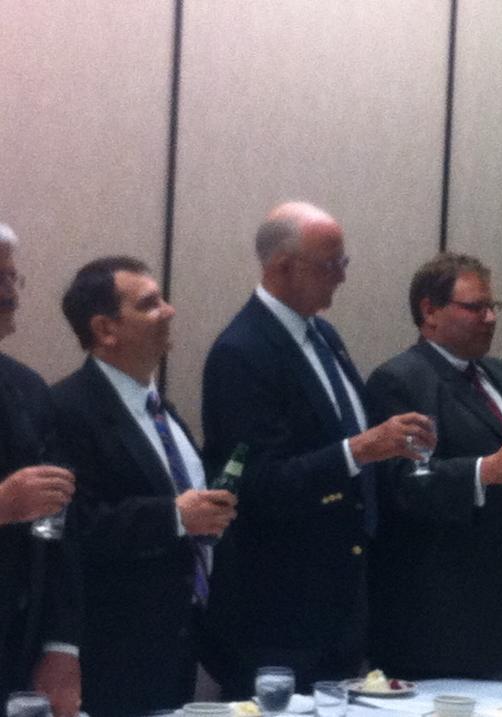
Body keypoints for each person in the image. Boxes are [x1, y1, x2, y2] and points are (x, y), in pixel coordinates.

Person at [201, 202, 433, 695]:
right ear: (282, 267)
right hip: (276, 612)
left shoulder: (323, 335)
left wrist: (388, 444)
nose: (342, 278)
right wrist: (358, 450)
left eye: (343, 263)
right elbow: (256, 484)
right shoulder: (240, 352)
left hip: (341, 604)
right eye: (330, 265)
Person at [52, 256, 238, 717]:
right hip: (113, 648)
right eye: (149, 304)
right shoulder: (68, 409)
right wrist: (175, 516)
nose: (169, 311)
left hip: (180, 638)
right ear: (105, 329)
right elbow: (75, 525)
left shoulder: (160, 409)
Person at [367, 252, 502, 678]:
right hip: (439, 608)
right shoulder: (399, 381)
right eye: (475, 307)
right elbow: (401, 486)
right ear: (429, 311)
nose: (490, 318)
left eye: (493, 306)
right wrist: (484, 471)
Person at [0, 224, 80, 717]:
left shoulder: (27, 388)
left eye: (13, 278)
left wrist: (61, 643)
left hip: (20, 645)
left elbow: (57, 526)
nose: (11, 293)